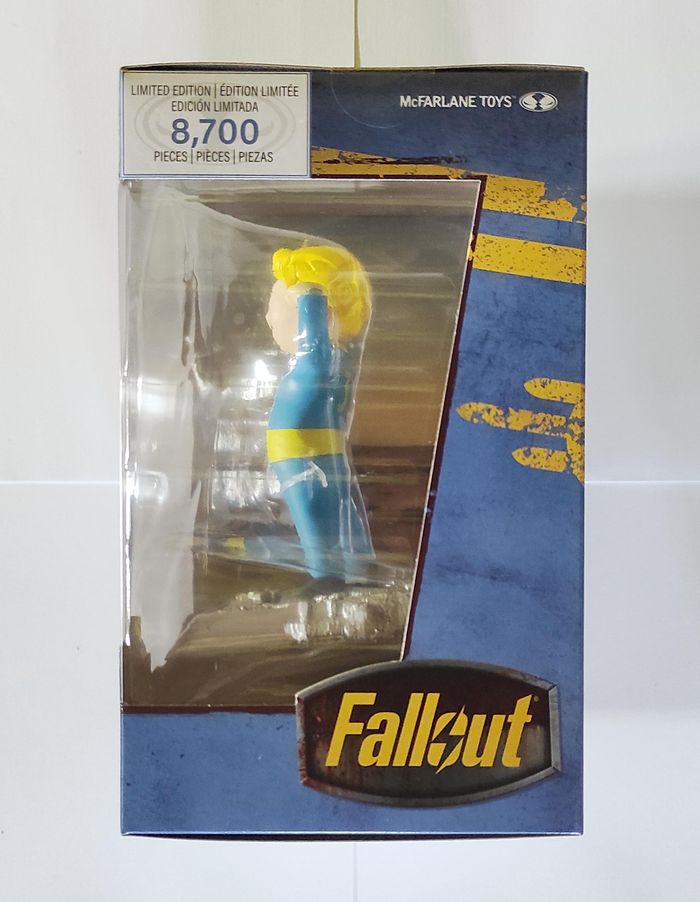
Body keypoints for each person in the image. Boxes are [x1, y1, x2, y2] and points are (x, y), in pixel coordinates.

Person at [265, 245, 373, 594]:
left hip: (304, 457)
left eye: (274, 306)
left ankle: (326, 578)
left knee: (313, 518)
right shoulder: (325, 370)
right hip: (310, 453)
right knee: (333, 512)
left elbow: (315, 353)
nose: (268, 316)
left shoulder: (314, 366)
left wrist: (311, 294)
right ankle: (351, 570)